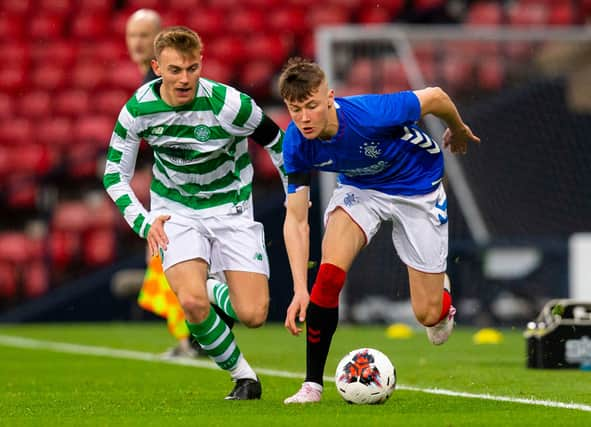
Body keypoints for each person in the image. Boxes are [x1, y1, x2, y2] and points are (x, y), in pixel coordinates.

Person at [278, 58, 480, 404]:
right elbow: (296, 220)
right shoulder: (296, 143)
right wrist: (300, 288)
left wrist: (458, 128)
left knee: (428, 315)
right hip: (361, 189)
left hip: (418, 186)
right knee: (327, 277)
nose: (305, 117)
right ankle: (312, 385)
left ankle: (442, 300)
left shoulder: (371, 113)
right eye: (296, 109)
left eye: (312, 106)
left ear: (329, 97)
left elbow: (435, 96)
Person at [104, 26, 287, 399]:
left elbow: (277, 142)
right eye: (175, 70)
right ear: (157, 68)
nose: (184, 78)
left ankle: (208, 286)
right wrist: (144, 221)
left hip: (231, 207)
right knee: (190, 303)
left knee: (252, 314)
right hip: (175, 211)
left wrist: (294, 195)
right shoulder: (138, 109)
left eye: (191, 68)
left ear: (201, 64)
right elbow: (114, 175)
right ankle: (244, 378)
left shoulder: (229, 104)